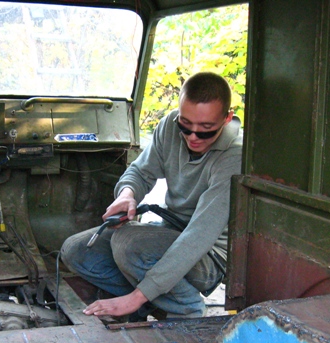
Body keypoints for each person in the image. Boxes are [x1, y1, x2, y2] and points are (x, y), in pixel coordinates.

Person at [60, 72, 243, 319]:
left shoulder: (234, 156)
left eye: (205, 130)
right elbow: (140, 172)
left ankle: (187, 311)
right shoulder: (170, 126)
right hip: (170, 230)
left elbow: (199, 236)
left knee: (129, 244)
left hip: (208, 255)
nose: (192, 136)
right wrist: (127, 194)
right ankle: (154, 302)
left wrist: (134, 298)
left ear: (226, 119)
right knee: (76, 251)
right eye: (185, 125)